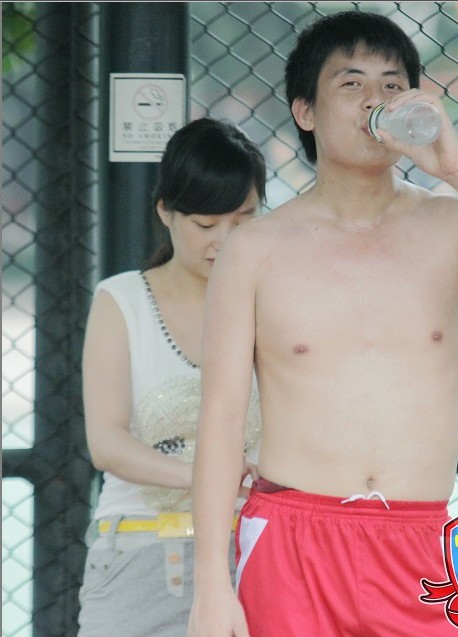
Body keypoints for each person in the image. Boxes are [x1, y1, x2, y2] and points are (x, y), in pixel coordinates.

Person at [187, 11, 458, 637]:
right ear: (305, 111)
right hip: (291, 536)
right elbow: (222, 418)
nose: (376, 100)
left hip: (419, 540)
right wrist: (211, 584)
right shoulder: (255, 248)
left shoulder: (450, 224)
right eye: (352, 84)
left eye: (393, 85)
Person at [77, 117, 266, 637]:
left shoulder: (273, 302)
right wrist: (210, 477)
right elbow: (106, 443)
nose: (225, 240)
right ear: (165, 211)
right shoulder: (122, 301)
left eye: (244, 219)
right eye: (205, 225)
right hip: (137, 554)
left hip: (252, 551)